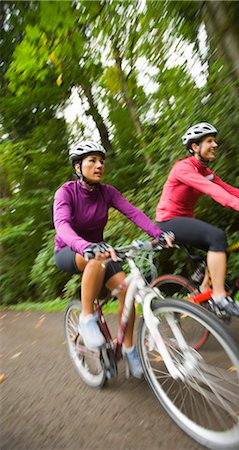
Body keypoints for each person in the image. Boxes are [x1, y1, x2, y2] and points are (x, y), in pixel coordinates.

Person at [53, 141, 173, 378]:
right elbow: (62, 225)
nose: (99, 165)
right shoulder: (65, 192)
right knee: (95, 260)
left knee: (127, 293)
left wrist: (159, 235)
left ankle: (129, 350)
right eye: (92, 161)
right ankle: (87, 319)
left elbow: (133, 213)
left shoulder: (107, 192)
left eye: (101, 161)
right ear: (78, 167)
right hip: (69, 251)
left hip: (100, 253)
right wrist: (84, 246)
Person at [156, 122, 239, 316]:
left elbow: (228, 189)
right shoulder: (183, 168)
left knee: (221, 248)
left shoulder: (205, 172)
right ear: (195, 147)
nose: (215, 145)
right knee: (217, 236)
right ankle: (220, 297)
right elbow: (211, 190)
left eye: (215, 140)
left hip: (184, 220)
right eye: (209, 141)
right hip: (168, 222)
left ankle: (206, 290)